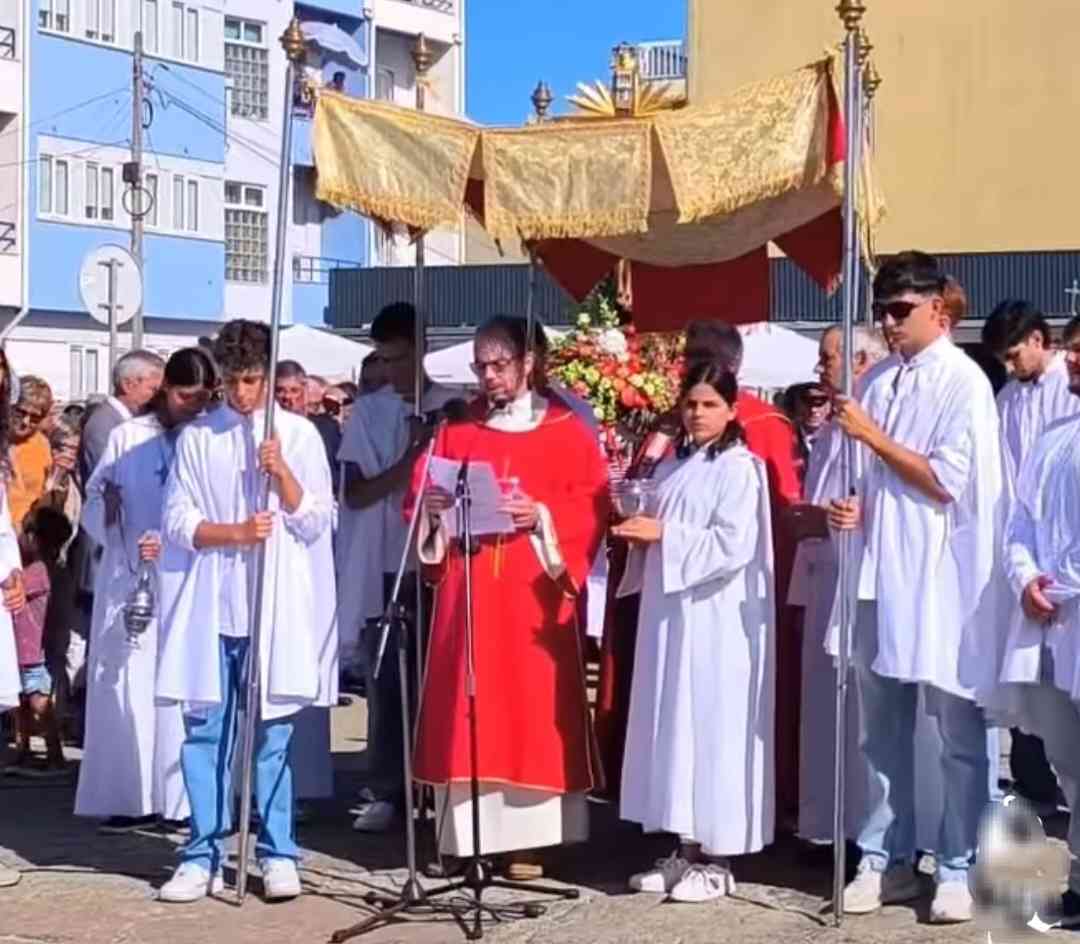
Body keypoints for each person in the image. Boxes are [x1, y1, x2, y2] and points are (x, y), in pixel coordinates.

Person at [829, 251, 1003, 922]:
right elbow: (870, 482)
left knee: (958, 729)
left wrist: (872, 438)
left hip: (940, 576)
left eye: (899, 311)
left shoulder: (963, 382)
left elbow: (947, 482)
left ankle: (960, 862)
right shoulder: (878, 384)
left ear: (938, 307)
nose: (888, 323)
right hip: (878, 569)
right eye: (881, 311)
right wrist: (853, 509)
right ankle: (886, 857)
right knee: (882, 730)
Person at [412, 314, 608, 879]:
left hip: (531, 591)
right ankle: (465, 837)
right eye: (482, 366)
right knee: (466, 706)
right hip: (468, 588)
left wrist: (540, 514)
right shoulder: (457, 429)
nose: (489, 377)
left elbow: (591, 507)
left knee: (528, 707)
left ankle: (529, 840)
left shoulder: (567, 430)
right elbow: (422, 495)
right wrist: (434, 514)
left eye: (500, 365)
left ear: (529, 363)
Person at [155, 320, 336, 903]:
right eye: (233, 382)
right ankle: (201, 850)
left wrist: (282, 474)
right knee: (205, 731)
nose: (242, 394)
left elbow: (317, 521)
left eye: (253, 380)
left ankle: (277, 849)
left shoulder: (300, 436)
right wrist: (231, 532)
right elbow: (177, 522)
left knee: (273, 736)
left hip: (274, 606)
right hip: (212, 606)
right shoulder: (197, 437)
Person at [614, 362, 774, 903]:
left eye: (709, 404)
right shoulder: (675, 465)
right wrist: (643, 535)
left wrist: (664, 534)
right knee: (674, 723)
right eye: (691, 403)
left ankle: (718, 855)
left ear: (732, 408)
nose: (698, 413)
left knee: (710, 725)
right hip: (672, 611)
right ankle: (684, 847)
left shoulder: (740, 467)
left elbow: (734, 544)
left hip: (717, 617)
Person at [74, 348, 216, 833]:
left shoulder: (208, 437)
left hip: (190, 574)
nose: (191, 406)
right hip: (131, 574)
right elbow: (95, 499)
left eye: (201, 398)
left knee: (183, 687)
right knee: (129, 686)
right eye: (183, 396)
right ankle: (129, 794)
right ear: (163, 391)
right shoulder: (128, 437)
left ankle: (182, 799)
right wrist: (113, 516)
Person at [337, 301, 458, 833]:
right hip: (386, 560)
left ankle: (444, 782)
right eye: (382, 359)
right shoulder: (370, 411)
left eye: (400, 357)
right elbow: (356, 492)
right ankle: (389, 786)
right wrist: (408, 462)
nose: (390, 370)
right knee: (388, 679)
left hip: (439, 557)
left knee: (439, 675)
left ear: (422, 347)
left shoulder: (455, 404)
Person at [996, 314, 1080, 926]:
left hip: (1068, 604)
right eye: (1072, 351)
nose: (1072, 361)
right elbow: (1019, 521)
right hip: (1049, 619)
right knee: (1068, 758)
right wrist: (1025, 576)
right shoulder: (1055, 436)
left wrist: (1063, 583)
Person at [983, 301, 1077, 816]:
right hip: (1025, 555)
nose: (1011, 366)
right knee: (1030, 686)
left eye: (1015, 354)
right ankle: (1035, 782)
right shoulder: (1006, 399)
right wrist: (1022, 570)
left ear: (1041, 340)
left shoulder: (1069, 388)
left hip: (1065, 561)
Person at [8, 505, 72, 777]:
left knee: (39, 704)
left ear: (34, 538)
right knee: (21, 704)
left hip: (36, 651)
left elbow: (13, 587)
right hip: (24, 650)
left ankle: (55, 755)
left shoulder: (38, 572)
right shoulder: (47, 569)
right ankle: (22, 751)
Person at [8, 377, 56, 530]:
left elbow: (44, 494)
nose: (25, 422)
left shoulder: (42, 446)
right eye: (20, 412)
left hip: (28, 537)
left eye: (35, 418)